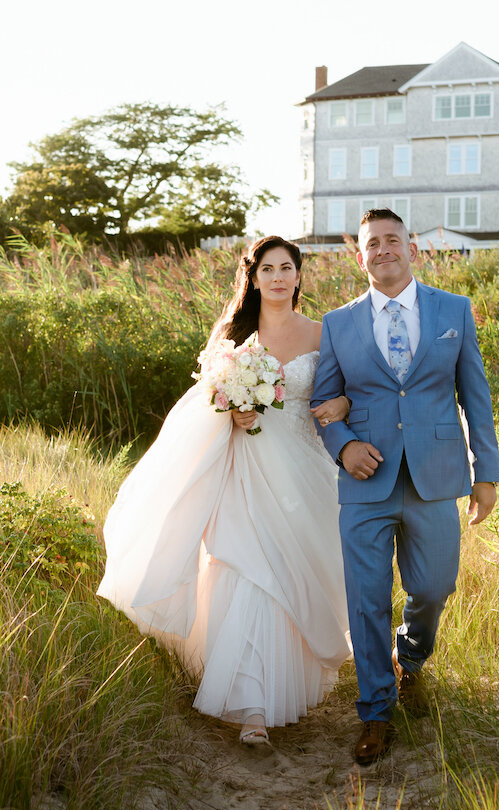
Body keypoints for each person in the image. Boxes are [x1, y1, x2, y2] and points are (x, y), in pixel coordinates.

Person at [97, 236, 353, 744]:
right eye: (267, 269)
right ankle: (252, 705)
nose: (278, 277)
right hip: (242, 468)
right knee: (245, 570)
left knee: (291, 576)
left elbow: (349, 391)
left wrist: (342, 405)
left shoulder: (326, 334)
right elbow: (206, 402)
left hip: (303, 470)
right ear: (253, 278)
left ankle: (284, 689)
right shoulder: (234, 338)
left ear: (299, 277)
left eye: (287, 268)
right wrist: (230, 409)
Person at [310, 207, 499, 766]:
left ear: (411, 249)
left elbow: (476, 397)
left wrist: (484, 473)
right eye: (373, 243)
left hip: (436, 476)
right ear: (360, 255)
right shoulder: (338, 323)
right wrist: (344, 445)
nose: (383, 249)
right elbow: (323, 405)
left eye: (393, 240)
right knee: (365, 599)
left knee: (436, 586)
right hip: (365, 481)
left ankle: (410, 654)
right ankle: (375, 711)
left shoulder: (453, 311)